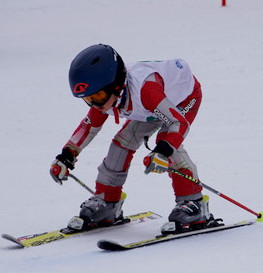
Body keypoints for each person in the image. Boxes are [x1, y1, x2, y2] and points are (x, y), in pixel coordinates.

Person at [50, 44, 214, 233]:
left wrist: (162, 151)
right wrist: (67, 155)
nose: (95, 103)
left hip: (182, 100)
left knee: (167, 142)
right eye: (88, 99)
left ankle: (193, 203)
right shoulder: (107, 98)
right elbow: (88, 127)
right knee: (121, 143)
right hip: (148, 109)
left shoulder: (146, 90)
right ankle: (107, 202)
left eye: (98, 96)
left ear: (116, 85)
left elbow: (179, 123)